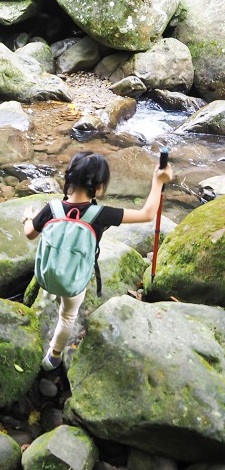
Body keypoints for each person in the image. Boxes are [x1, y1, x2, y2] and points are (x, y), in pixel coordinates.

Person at [22, 151, 174, 371]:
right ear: (100, 187)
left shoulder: (52, 208)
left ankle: (51, 289)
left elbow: (29, 234)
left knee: (58, 294)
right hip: (75, 282)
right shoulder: (101, 214)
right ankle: (53, 356)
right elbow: (147, 214)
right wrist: (158, 181)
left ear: (69, 180)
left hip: (47, 273)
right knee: (67, 316)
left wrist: (28, 217)